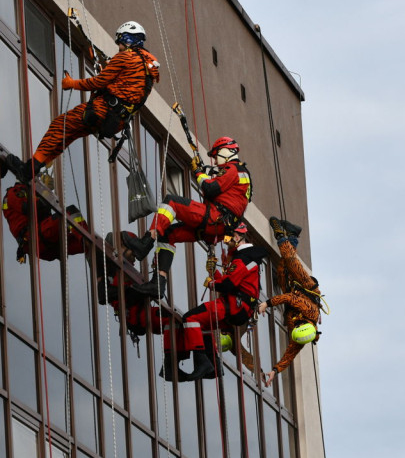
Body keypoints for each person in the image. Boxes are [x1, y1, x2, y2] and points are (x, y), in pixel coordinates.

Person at [4, 21, 160, 183]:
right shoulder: (148, 67)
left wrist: (71, 84)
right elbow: (125, 87)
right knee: (69, 134)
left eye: (120, 42)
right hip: (115, 120)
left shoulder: (126, 57)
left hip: (102, 110)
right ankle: (34, 167)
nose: (119, 47)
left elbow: (97, 83)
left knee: (59, 126)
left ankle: (28, 170)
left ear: (128, 39)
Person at [121, 136, 252, 300]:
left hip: (215, 217)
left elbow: (210, 188)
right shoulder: (241, 175)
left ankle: (146, 241)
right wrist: (205, 174)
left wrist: (198, 172)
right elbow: (218, 193)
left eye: (217, 155)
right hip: (217, 227)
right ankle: (158, 282)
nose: (216, 160)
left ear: (229, 151)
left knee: (171, 202)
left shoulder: (233, 169)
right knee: (168, 234)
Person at [166, 223, 266, 381]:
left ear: (237, 237)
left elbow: (228, 285)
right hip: (237, 305)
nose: (225, 242)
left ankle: (203, 363)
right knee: (203, 325)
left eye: (228, 238)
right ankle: (214, 365)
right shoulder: (247, 258)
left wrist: (211, 283)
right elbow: (232, 283)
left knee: (190, 318)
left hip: (233, 305)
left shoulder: (244, 258)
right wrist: (214, 273)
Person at [258, 217, 324, 387]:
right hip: (304, 286)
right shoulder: (310, 312)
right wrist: (267, 303)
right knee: (289, 259)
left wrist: (275, 370)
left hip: (292, 293)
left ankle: (293, 234)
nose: (292, 325)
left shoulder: (299, 338)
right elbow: (289, 298)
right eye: (295, 325)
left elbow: (289, 355)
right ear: (302, 321)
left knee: (281, 269)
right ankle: (280, 234)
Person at [2, 180, 87, 262]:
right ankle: (86, 240)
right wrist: (46, 194)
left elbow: (43, 214)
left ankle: (99, 271)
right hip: (34, 237)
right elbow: (29, 208)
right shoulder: (15, 191)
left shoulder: (31, 193)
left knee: (87, 244)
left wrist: (45, 193)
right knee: (70, 213)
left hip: (43, 241)